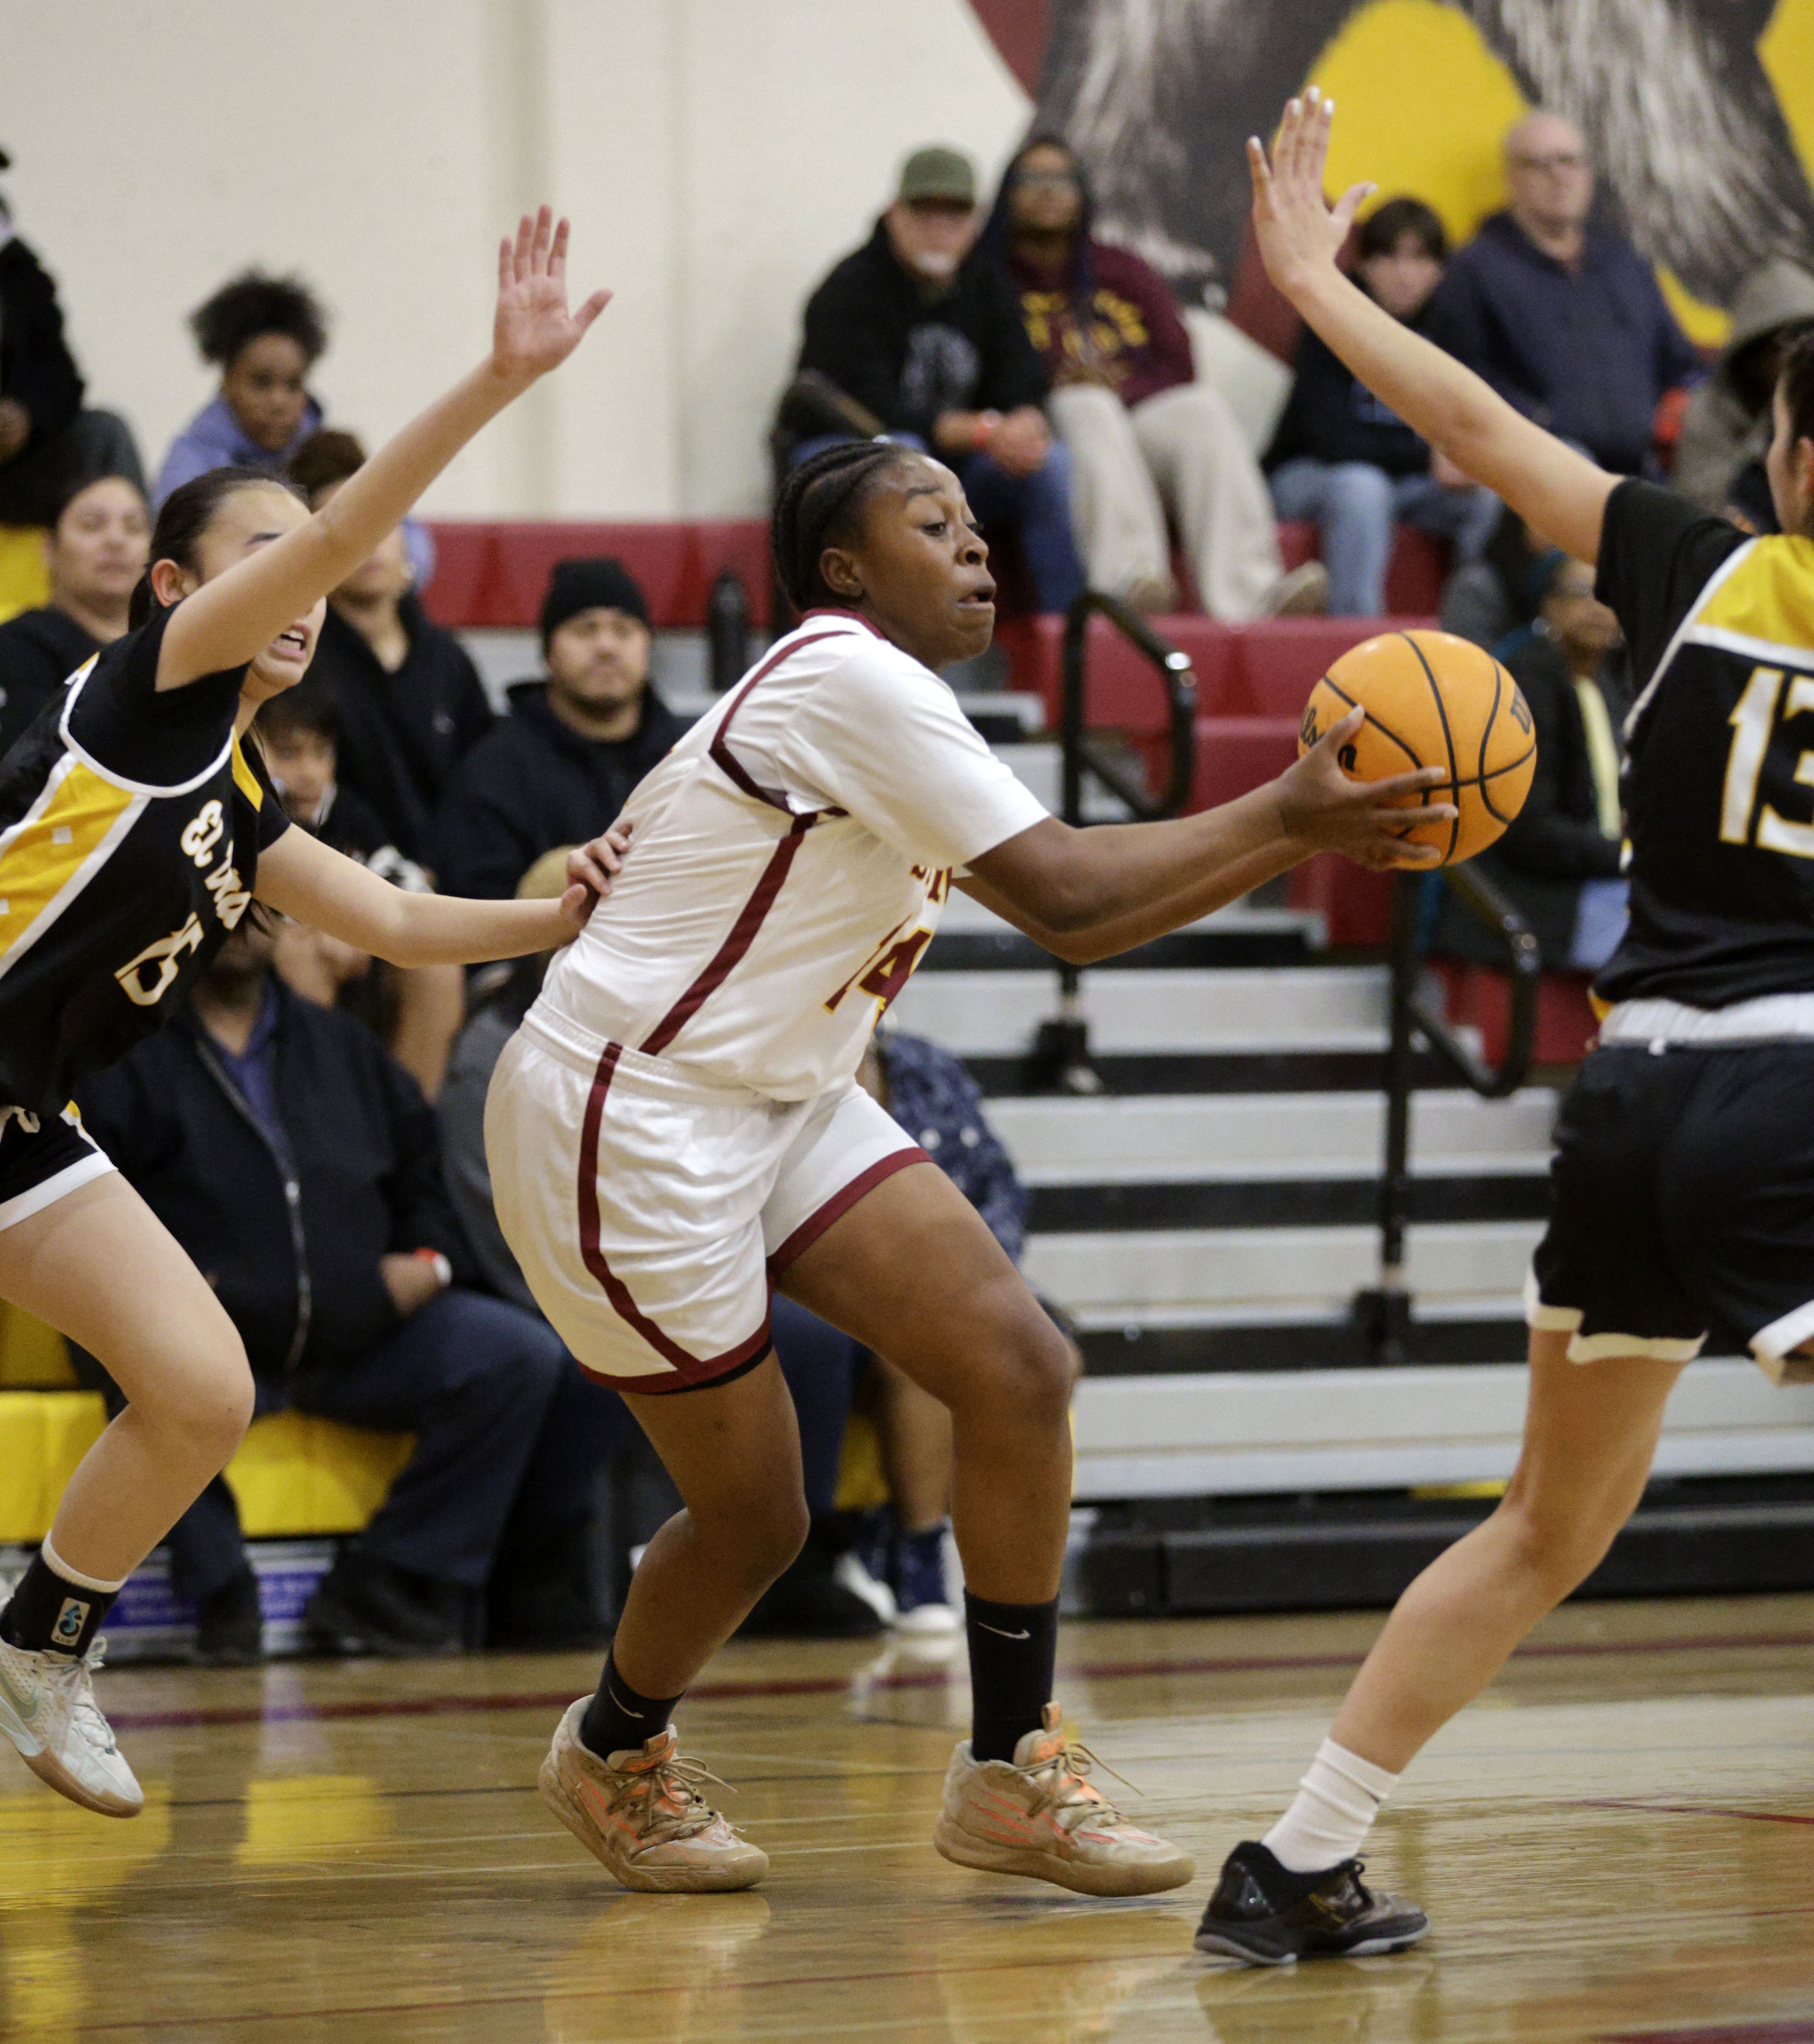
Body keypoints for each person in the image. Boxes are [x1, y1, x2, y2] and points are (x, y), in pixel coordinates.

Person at [485, 432, 1452, 1896]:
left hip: (777, 1091)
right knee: (761, 1515)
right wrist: (1289, 818)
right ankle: (612, 1744)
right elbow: (1066, 896)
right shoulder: (842, 675)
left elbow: (1069, 896)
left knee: (1020, 1365)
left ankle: (1009, 1766)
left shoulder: (896, 703)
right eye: (931, 524)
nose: (977, 544)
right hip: (631, 1111)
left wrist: (1286, 830)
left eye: (977, 522)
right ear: (843, 569)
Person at [1192, 87, 1814, 1967]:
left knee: (1548, 1524)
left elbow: (1464, 424)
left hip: (1622, 1091)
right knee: (1554, 1522)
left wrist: (1306, 278)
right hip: (1787, 1087)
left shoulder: (1689, 560)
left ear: (1783, 457)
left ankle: (1298, 1852)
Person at [0, 205, 614, 1820]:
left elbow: (401, 917)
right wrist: (493, 379)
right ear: (187, 587)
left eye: (314, 565)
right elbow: (343, 540)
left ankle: (41, 1641)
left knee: (196, 1384)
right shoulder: (150, 691)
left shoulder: (243, 783)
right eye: (277, 555)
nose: (309, 585)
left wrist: (566, 910)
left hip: (15, 1122)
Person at [73, 917, 617, 1662]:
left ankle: (390, 1580)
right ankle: (222, 1587)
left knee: (517, 1354)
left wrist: (426, 1264)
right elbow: (91, 1201)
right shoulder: (126, 1052)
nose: (240, 924)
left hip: (361, 1331)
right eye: (225, 907)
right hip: (211, 1332)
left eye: (260, 906)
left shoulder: (341, 1048)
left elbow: (425, 1179)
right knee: (130, 1347)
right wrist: (161, 1283)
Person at [437, 850, 878, 1640]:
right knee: (569, 1355)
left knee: (813, 1337)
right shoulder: (496, 1053)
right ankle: (546, 1575)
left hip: (683, 1259)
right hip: (555, 1276)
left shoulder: (675, 1034)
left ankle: (798, 1564)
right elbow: (500, 1214)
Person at [988, 136, 1325, 619]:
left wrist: (1117, 386)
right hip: (1049, 425)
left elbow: (1178, 363)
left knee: (1198, 409)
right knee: (1085, 404)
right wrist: (1061, 382)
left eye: (1062, 180)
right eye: (1032, 180)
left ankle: (1254, 594)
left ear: (1083, 194)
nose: (1048, 192)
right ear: (1007, 193)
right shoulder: (989, 277)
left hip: (1133, 418)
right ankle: (1130, 585)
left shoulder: (1119, 268)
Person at [794, 146, 1084, 614]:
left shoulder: (986, 284)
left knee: (1050, 465)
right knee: (901, 456)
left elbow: (1023, 376)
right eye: (924, 212)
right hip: (847, 457)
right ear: (894, 214)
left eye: (954, 215)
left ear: (975, 222)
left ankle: (1067, 641)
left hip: (956, 469)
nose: (939, 228)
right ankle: (906, 629)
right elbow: (869, 410)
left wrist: (1026, 423)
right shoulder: (849, 288)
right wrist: (986, 432)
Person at [1426, 111, 1702, 478]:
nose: (1559, 176)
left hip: (1647, 471)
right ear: (1512, 179)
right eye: (1540, 164)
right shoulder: (1476, 269)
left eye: (1570, 161)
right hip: (1539, 474)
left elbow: (1681, 364)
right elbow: (1461, 376)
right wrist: (1543, 426)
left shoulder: (1626, 264)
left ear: (1589, 173)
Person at [1266, 197, 1501, 616]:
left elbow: (1472, 414)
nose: (1405, 275)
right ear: (1364, 264)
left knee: (1485, 499)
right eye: (1390, 258)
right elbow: (1329, 437)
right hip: (1309, 475)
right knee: (1363, 487)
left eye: (1420, 259)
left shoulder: (1452, 326)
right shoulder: (1331, 316)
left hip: (1408, 485)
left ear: (1440, 268)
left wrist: (1465, 462)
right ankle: (1357, 640)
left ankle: (1472, 628)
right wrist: (1429, 457)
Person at [288, 430, 493, 866]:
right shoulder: (296, 661)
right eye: (347, 521)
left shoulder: (448, 659)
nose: (370, 538)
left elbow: (484, 792)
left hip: (455, 891)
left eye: (384, 517)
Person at [255, 675, 464, 1100]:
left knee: (437, 967)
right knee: (300, 954)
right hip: (278, 948)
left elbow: (405, 884)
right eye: (288, 755)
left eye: (321, 753)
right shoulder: (247, 808)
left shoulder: (349, 812)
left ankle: (410, 1123)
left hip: (356, 946)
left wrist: (358, 931)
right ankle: (320, 1125)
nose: (310, 773)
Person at [432, 557, 685, 900]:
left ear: (648, 647)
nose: (607, 647)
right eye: (585, 629)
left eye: (624, 630)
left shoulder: (689, 756)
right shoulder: (495, 769)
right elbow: (474, 908)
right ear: (548, 653)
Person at [1435, 553, 1628, 971]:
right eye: (1580, 593)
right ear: (1548, 605)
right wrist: (1628, 856)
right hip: (1528, 887)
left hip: (1595, 872)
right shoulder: (1526, 681)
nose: (1597, 607)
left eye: (1608, 595)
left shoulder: (1611, 680)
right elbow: (1528, 831)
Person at [0, 152, 146, 529]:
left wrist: (27, 414)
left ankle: (141, 575)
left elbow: (61, 375)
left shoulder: (18, 272)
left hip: (18, 467)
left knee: (105, 432)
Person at [0, 473, 150, 753]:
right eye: (92, 526)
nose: (116, 540)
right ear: (49, 548)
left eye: (134, 527)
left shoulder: (169, 645)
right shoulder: (17, 647)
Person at [1673, 258, 1814, 532]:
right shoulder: (1712, 412)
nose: (1795, 355)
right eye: (1781, 346)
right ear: (1751, 356)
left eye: (1806, 339)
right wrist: (1763, 445)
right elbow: (1696, 512)